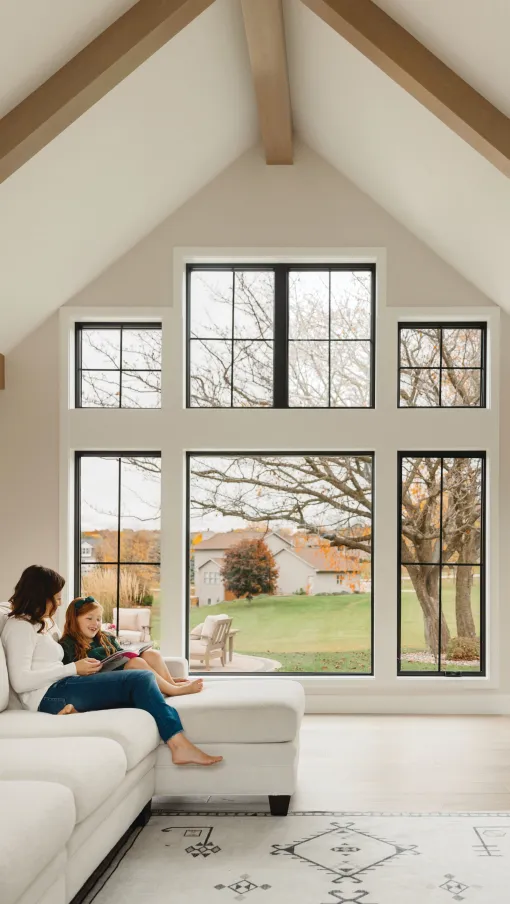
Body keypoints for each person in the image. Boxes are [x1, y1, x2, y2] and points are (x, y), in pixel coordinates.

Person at [1, 565, 222, 767]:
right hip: (48, 697)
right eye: (56, 598)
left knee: (140, 683)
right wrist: (72, 669)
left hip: (63, 686)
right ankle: (179, 745)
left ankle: (175, 736)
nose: (59, 603)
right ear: (41, 596)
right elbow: (20, 682)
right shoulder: (19, 626)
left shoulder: (39, 623)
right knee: (141, 678)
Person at [60, 596, 203, 698]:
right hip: (101, 682)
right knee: (136, 663)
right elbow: (71, 674)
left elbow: (121, 655)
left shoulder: (106, 637)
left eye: (98, 619)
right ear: (74, 620)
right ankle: (173, 690)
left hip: (118, 670)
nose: (95, 623)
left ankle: (169, 684)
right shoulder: (67, 644)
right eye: (89, 618)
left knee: (152, 654)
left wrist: (164, 677)